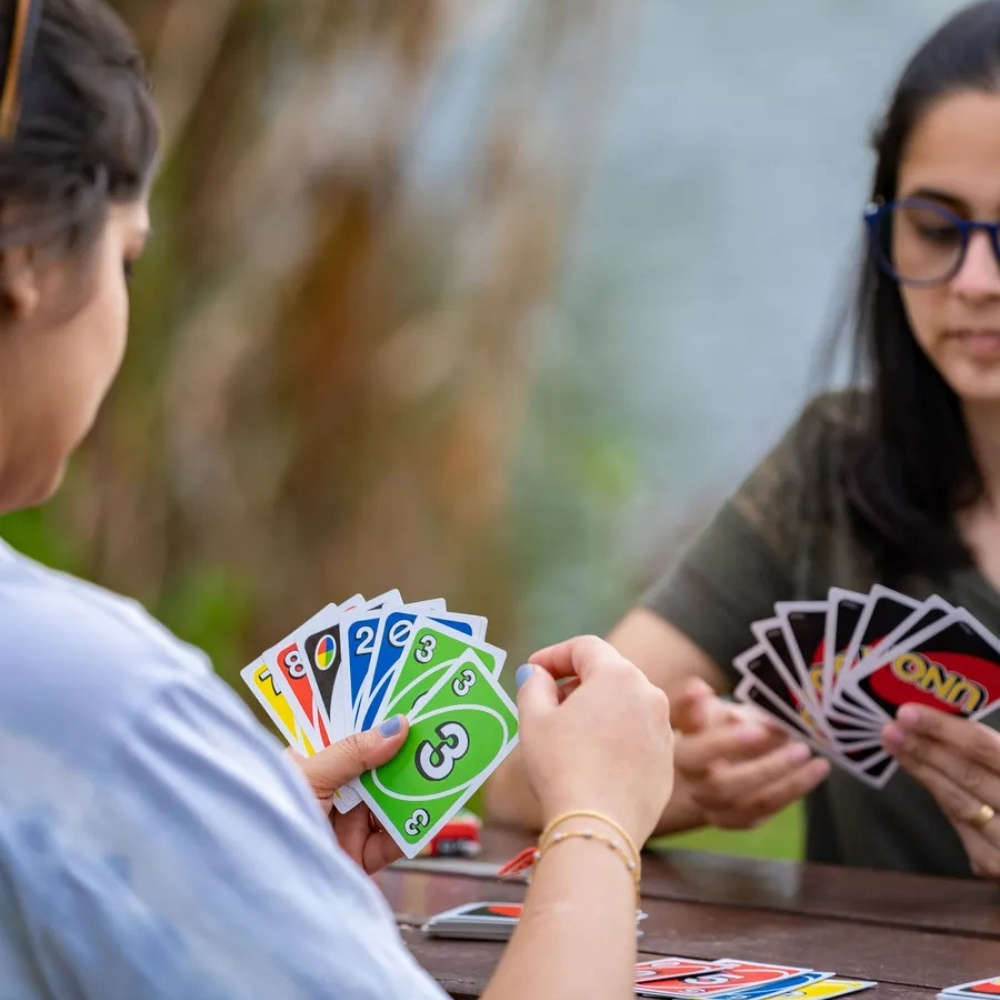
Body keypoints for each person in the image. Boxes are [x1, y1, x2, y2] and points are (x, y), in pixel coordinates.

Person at [0, 1, 676, 997]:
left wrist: (236, 845)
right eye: (126, 256)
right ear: (26, 265)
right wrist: (597, 825)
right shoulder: (90, 705)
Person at [487, 0, 1000, 881]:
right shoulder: (835, 469)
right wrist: (681, 784)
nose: (975, 282)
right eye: (937, 228)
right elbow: (517, 784)